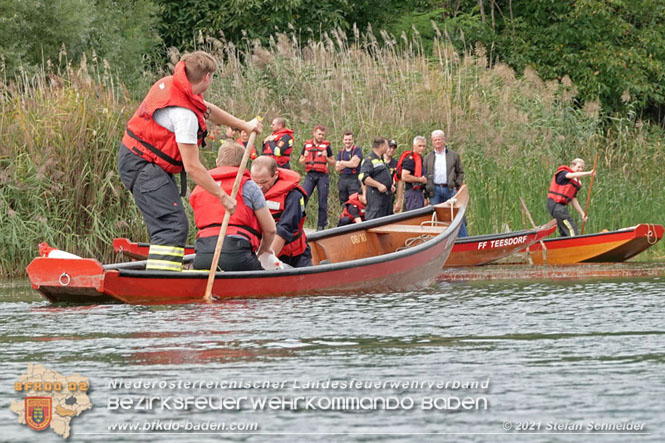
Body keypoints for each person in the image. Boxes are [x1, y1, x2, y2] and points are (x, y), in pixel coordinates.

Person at [117, 50, 262, 271]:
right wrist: (223, 197)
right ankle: (161, 287)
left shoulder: (176, 85)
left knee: (172, 223)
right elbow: (193, 168)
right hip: (140, 164)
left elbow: (208, 110)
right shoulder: (184, 116)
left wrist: (244, 125)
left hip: (144, 160)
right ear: (206, 78)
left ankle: (163, 278)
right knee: (172, 225)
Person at [189, 141, 276, 271]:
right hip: (237, 254)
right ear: (243, 164)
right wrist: (264, 248)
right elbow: (270, 229)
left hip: (203, 254)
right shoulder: (249, 186)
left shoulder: (201, 186)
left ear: (218, 162)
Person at [250, 156, 312, 267]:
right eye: (255, 182)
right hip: (260, 251)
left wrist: (266, 261)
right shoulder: (249, 191)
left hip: (294, 256)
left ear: (275, 175)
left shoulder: (294, 195)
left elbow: (284, 229)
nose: (259, 187)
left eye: (264, 182)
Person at [423, 129, 468, 237]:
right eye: (435, 140)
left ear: (443, 140)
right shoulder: (428, 157)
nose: (437, 142)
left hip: (450, 189)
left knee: (457, 215)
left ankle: (464, 239)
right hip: (434, 191)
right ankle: (439, 241)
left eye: (439, 139)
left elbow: (460, 172)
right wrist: (426, 194)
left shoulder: (453, 155)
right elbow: (424, 175)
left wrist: (456, 184)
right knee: (436, 216)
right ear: (432, 142)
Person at [299, 125, 335, 230]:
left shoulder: (327, 146)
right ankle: (298, 222)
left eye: (323, 135)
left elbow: (333, 162)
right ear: (314, 133)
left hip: (322, 176)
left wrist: (326, 157)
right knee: (302, 198)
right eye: (319, 134)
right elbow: (301, 162)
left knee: (322, 201)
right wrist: (305, 156)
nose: (321, 136)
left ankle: (321, 226)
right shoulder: (306, 145)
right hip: (310, 175)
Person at [547, 158, 596, 236]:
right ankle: (576, 242)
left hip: (560, 206)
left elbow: (573, 200)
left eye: (582, 168)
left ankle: (564, 246)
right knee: (571, 227)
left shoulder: (575, 182)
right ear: (572, 165)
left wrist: (582, 213)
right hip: (555, 204)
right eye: (578, 167)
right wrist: (589, 173)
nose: (580, 169)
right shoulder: (563, 173)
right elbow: (571, 175)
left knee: (564, 230)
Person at [359, 137, 394, 220]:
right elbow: (363, 177)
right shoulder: (369, 159)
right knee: (374, 222)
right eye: (386, 145)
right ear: (381, 146)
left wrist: (390, 186)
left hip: (386, 199)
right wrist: (378, 185)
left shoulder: (381, 159)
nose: (388, 148)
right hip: (376, 199)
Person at [399, 136, 427, 211]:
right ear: (414, 146)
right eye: (420, 146)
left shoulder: (419, 158)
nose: (422, 148)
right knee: (414, 217)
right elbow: (404, 176)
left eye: (423, 146)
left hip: (419, 192)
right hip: (412, 193)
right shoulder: (410, 159)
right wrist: (420, 180)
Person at [335, 130, 363, 205]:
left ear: (353, 140)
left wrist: (342, 162)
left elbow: (354, 164)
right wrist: (349, 162)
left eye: (350, 140)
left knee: (354, 201)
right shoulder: (340, 152)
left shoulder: (357, 150)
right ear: (343, 140)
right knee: (343, 202)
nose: (348, 141)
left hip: (353, 179)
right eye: (346, 140)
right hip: (342, 179)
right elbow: (337, 168)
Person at [384, 139, 399, 213]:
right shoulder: (378, 161)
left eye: (394, 148)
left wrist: (398, 201)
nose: (392, 150)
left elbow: (399, 181)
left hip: (390, 194)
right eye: (390, 147)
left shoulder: (396, 163)